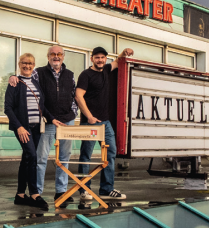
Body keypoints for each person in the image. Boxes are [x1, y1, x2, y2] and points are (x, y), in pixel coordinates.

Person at [8, 45, 78, 202]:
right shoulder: (39, 72)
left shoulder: (70, 75)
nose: (56, 56)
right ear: (48, 57)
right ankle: (37, 191)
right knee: (40, 158)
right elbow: (25, 77)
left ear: (63, 57)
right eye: (53, 54)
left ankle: (61, 192)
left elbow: (74, 97)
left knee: (64, 157)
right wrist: (13, 77)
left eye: (59, 54)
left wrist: (73, 113)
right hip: (47, 121)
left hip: (66, 121)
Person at [75, 46, 133, 200]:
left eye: (102, 57)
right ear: (92, 58)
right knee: (86, 155)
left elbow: (117, 61)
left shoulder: (107, 69)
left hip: (105, 122)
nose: (100, 60)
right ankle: (84, 190)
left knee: (110, 153)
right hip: (90, 123)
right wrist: (90, 117)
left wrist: (124, 52)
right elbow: (78, 96)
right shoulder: (85, 75)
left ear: (105, 59)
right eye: (97, 57)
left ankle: (106, 190)